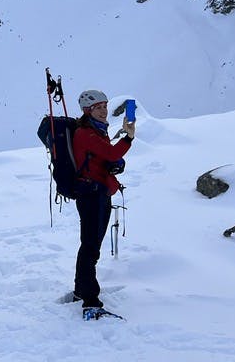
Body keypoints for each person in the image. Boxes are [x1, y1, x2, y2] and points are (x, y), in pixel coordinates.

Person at [71, 88, 134, 320]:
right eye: (98, 107)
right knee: (91, 247)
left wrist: (113, 165)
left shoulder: (96, 131)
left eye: (105, 105)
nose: (104, 110)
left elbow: (103, 158)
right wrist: (128, 137)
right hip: (92, 194)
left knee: (89, 244)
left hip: (96, 192)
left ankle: (81, 290)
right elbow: (110, 152)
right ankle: (90, 302)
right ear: (88, 111)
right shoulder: (85, 133)